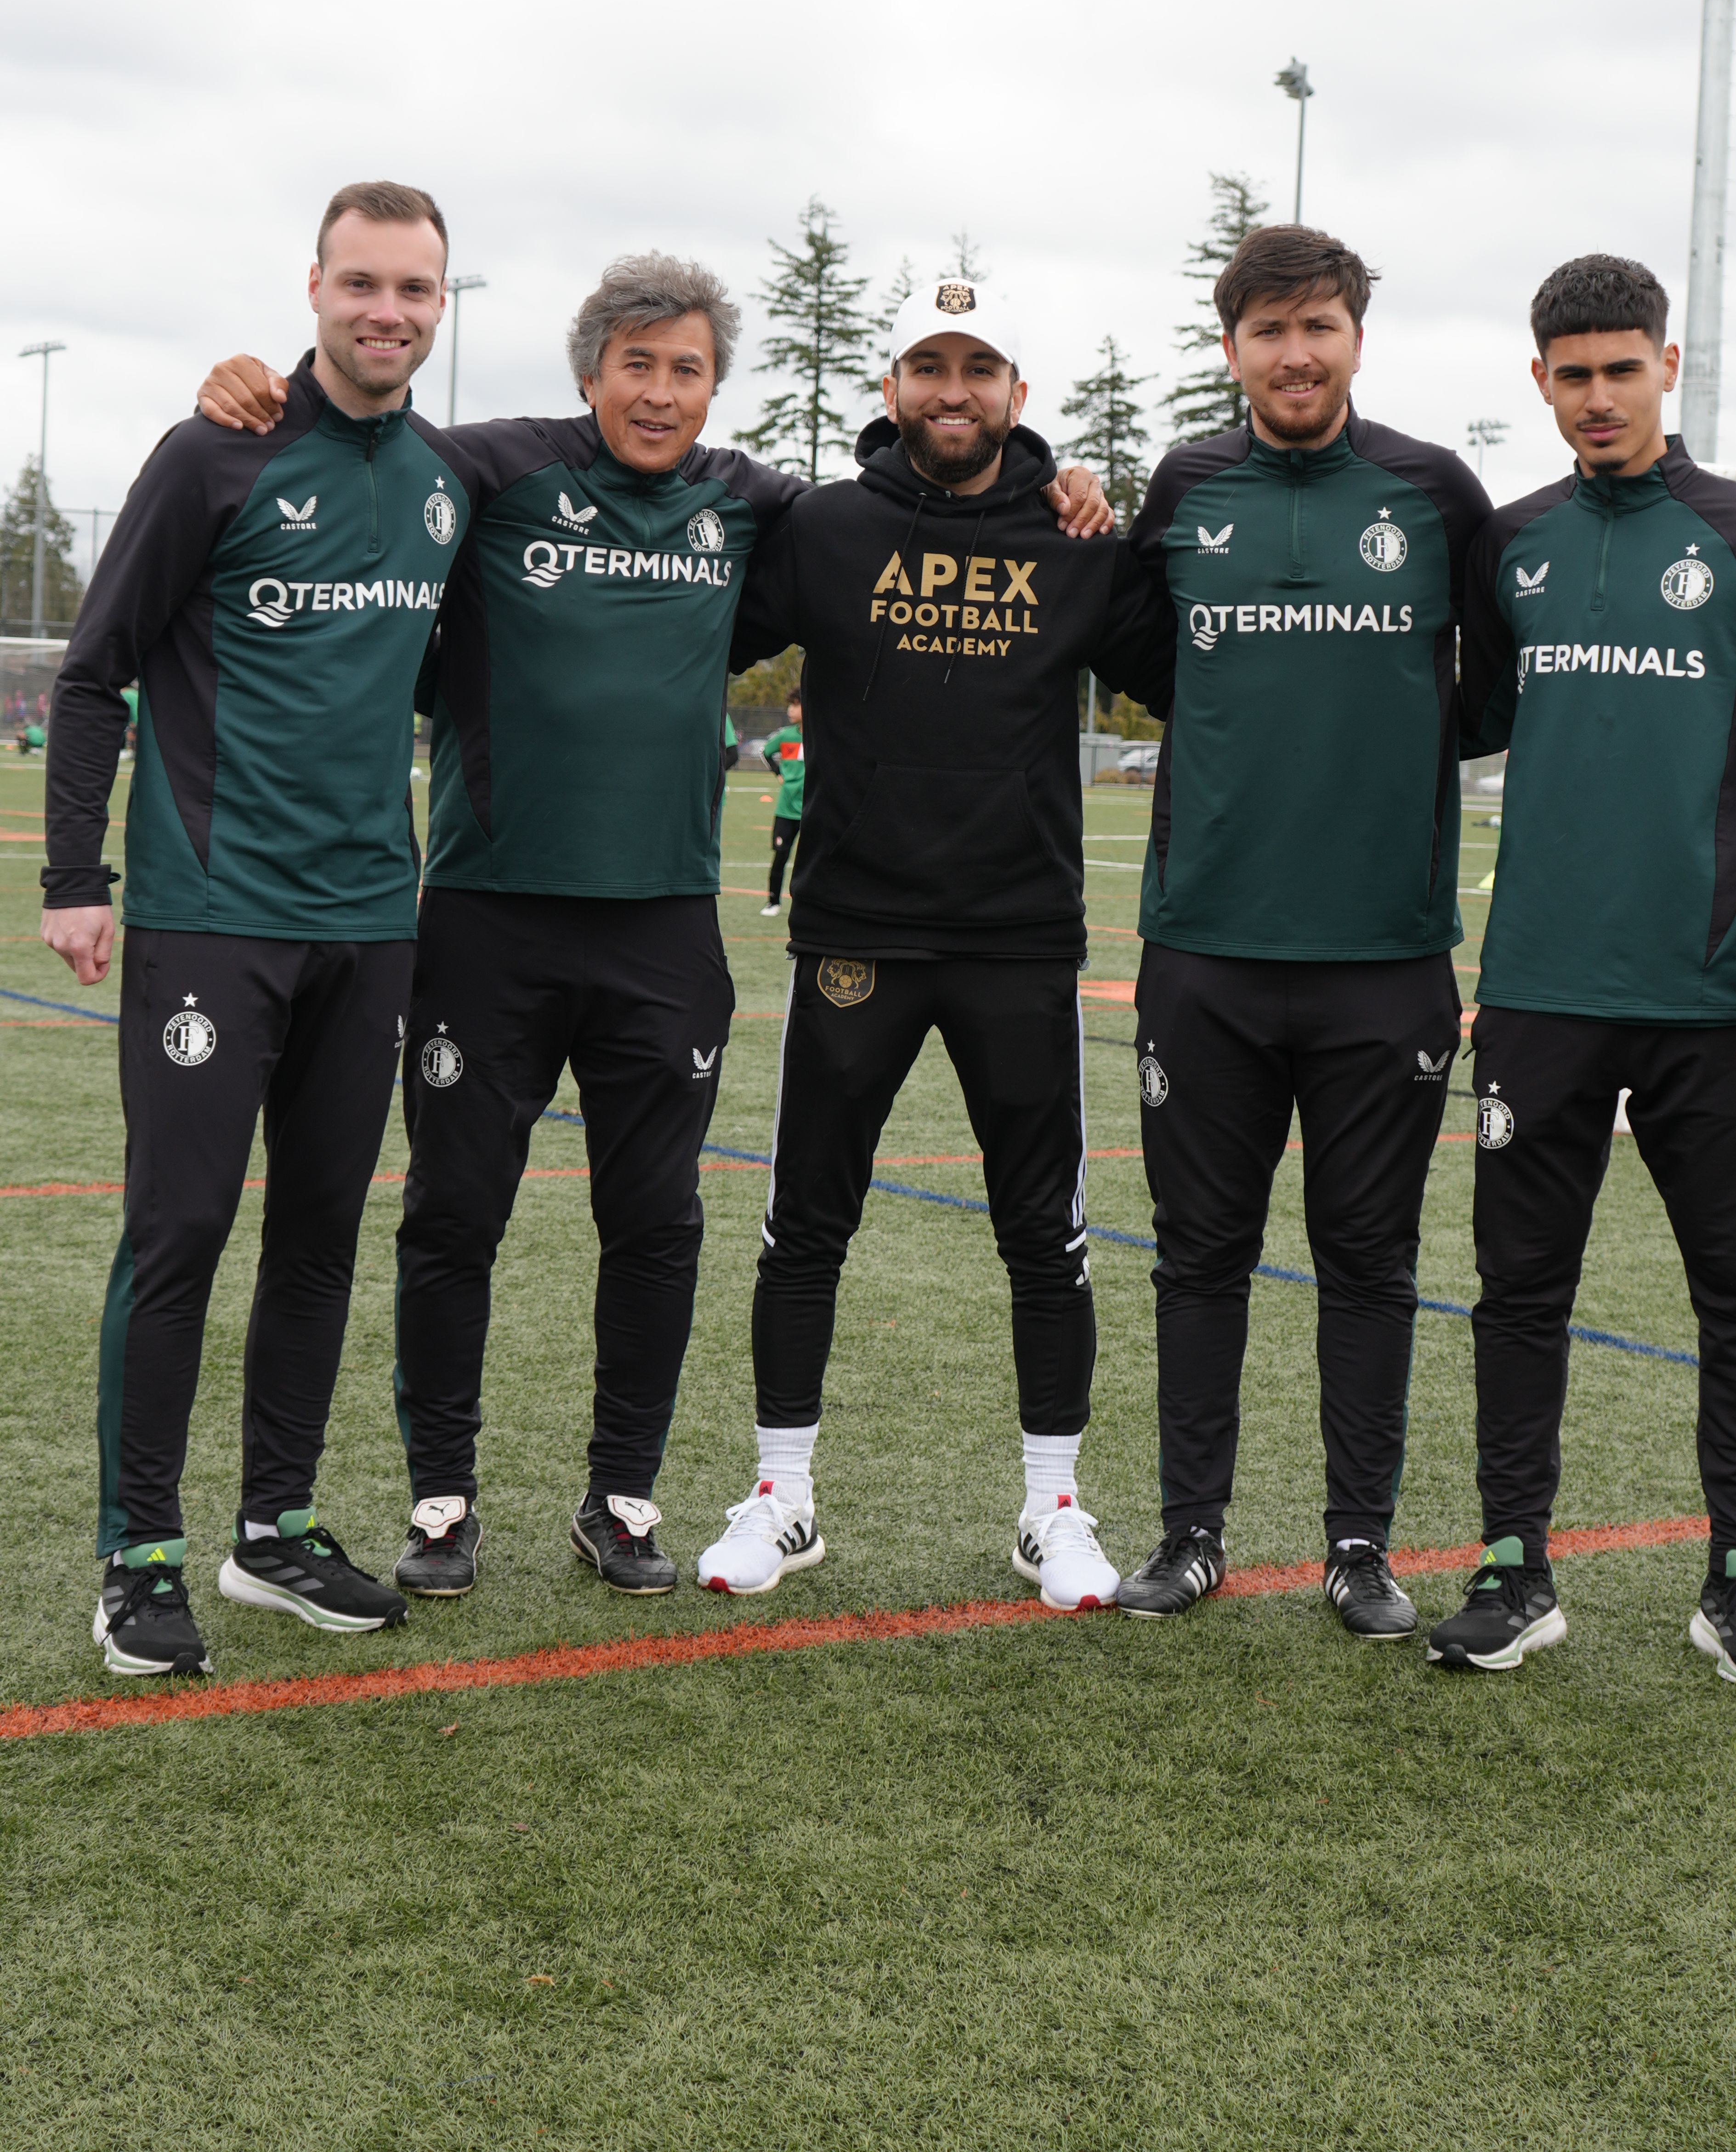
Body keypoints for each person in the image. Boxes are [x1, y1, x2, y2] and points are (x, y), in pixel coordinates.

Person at [197, 277, 1112, 1602]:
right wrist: (265, 390)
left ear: (712, 387)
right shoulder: (494, 467)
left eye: (686, 368)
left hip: (668, 929)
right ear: (590, 376)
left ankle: (623, 1496)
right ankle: (443, 1501)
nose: (659, 391)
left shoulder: (754, 503)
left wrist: (1063, 483)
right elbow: (365, 435)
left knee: (657, 1224)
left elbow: (957, 510)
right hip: (490, 917)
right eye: (636, 364)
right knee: (456, 1215)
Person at [43, 179, 504, 1677]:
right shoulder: (214, 454)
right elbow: (94, 673)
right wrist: (74, 880)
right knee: (178, 1235)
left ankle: (278, 1531)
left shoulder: (448, 479)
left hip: (370, 923)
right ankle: (139, 1557)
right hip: (210, 917)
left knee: (317, 1240)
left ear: (443, 305)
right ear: (313, 288)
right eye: (362, 284)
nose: (388, 313)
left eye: (416, 291)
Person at [695, 279, 1174, 1611]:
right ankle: (782, 1497)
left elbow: (1196, 675)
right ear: (892, 383)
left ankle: (1052, 1509)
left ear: (1020, 391)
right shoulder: (826, 528)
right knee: (805, 1228)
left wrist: (1110, 506)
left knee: (1049, 1239)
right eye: (928, 365)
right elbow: (693, 624)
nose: (953, 390)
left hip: (1019, 935)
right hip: (856, 930)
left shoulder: (1078, 538)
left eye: (981, 367)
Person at [1433, 253, 1736, 1685]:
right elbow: (1459, 726)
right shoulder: (1511, 543)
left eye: (1621, 367)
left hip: (1711, 1006)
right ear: (1537, 381)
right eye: (1570, 372)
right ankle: (1510, 1568)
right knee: (1516, 1291)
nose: (1597, 395)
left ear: (1665, 368)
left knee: (1734, 1295)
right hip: (1540, 993)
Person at [1116, 224, 1490, 1628]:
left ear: (1353, 338)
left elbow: (1491, 691)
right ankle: (1191, 1534)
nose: (1294, 353)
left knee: (1368, 1259)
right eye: (1267, 330)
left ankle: (1356, 1548)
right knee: (1198, 1253)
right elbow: (1148, 659)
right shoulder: (1186, 483)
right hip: (1204, 948)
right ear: (1231, 349)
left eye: (1317, 326)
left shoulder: (1432, 491)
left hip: (1382, 959)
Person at [759, 688, 804, 914]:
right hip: (786, 809)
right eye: (790, 704)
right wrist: (778, 773)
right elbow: (764, 752)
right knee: (780, 856)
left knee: (812, 862)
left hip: (813, 809)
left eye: (796, 705)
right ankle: (773, 902)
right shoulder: (786, 736)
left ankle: (807, 904)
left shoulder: (822, 735)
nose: (790, 710)